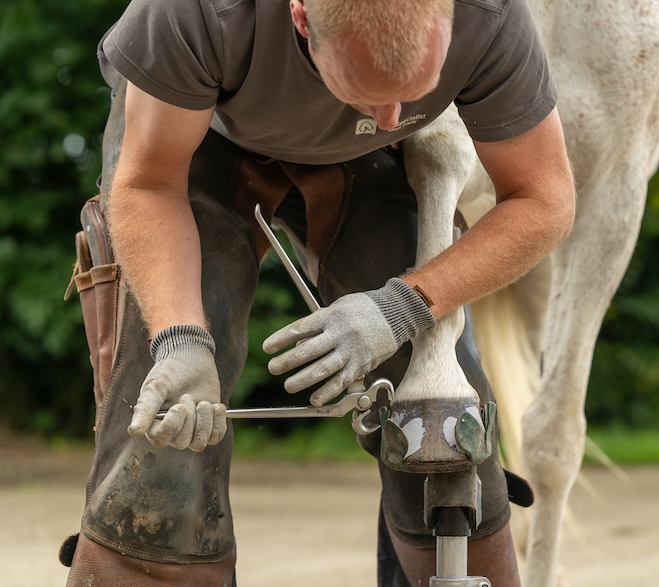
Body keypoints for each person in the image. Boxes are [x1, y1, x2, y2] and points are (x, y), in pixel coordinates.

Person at [63, 0, 575, 584]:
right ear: (301, 18)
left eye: (412, 92)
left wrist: (403, 305)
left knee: (437, 400)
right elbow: (151, 183)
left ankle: (457, 561)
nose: (390, 115)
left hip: (371, 162)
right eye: (371, 92)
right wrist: (180, 336)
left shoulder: (491, 16)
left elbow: (543, 198)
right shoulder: (197, 12)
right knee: (162, 419)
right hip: (197, 137)